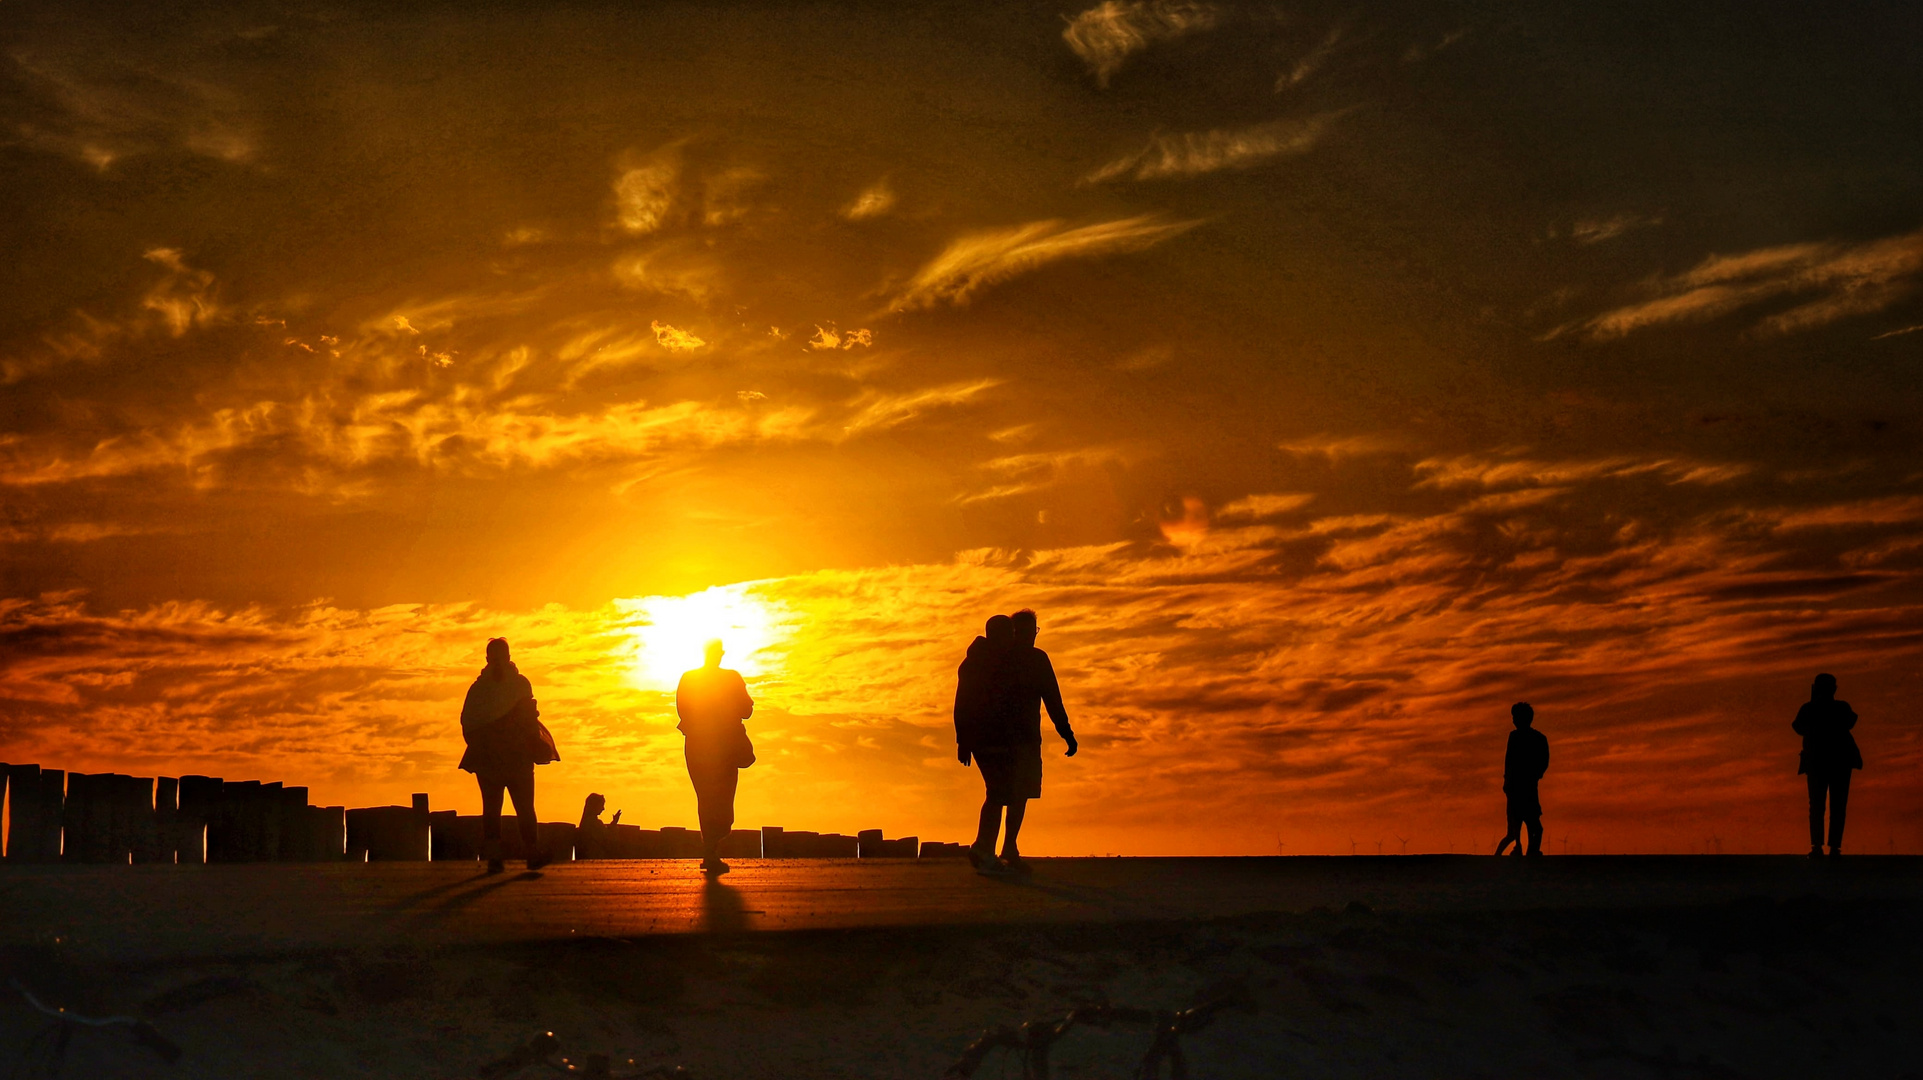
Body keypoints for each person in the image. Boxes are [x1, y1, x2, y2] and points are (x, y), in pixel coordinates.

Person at [971, 609, 1078, 874]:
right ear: (1012, 634)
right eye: (1025, 633)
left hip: (1028, 739)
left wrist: (1066, 733)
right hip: (1003, 739)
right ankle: (986, 849)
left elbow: (1053, 698)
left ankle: (1009, 848)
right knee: (999, 793)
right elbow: (977, 698)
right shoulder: (998, 660)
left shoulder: (1038, 659)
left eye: (1034, 632)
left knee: (1021, 795)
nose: (1031, 638)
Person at [459, 638, 559, 874]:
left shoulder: (480, 689)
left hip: (497, 758)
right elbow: (529, 719)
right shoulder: (517, 684)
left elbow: (467, 724)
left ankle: (500, 857)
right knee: (520, 807)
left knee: (498, 808)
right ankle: (526, 853)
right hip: (511, 757)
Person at [677, 639, 755, 875]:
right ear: (720, 654)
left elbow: (682, 710)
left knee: (708, 798)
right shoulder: (731, 677)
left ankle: (710, 849)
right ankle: (711, 849)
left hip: (699, 744)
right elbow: (747, 710)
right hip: (722, 745)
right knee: (721, 798)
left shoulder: (689, 678)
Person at [955, 615, 1014, 870]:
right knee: (997, 791)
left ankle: (984, 847)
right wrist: (963, 741)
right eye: (1009, 633)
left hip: (993, 736)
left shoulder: (994, 660)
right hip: (984, 737)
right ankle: (983, 848)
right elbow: (963, 703)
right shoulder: (979, 663)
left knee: (998, 791)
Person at [1793, 673, 1862, 858]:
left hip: (1818, 762)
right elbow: (1851, 722)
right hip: (1839, 762)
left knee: (1817, 805)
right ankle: (1833, 848)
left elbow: (1798, 727)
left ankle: (1817, 846)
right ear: (1834, 689)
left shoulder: (1809, 709)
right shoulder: (1841, 707)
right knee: (1837, 805)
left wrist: (1814, 704)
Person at [1494, 702, 1548, 857]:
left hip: (1524, 787)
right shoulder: (1530, 738)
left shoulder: (1532, 738)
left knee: (1531, 825)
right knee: (1520, 827)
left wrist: (1534, 775)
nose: (1513, 720)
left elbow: (1510, 761)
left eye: (1515, 717)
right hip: (1519, 787)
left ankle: (1528, 851)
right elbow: (1509, 761)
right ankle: (1519, 851)